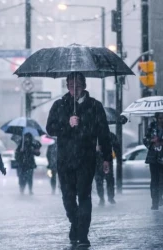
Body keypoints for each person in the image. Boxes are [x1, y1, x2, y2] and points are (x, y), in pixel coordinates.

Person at [46, 72, 112, 248]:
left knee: (84, 196)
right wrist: (67, 124)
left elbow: (104, 134)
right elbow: (50, 128)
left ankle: (82, 234)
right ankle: (75, 223)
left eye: (78, 85)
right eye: (71, 85)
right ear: (67, 86)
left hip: (86, 159)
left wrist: (106, 157)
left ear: (84, 85)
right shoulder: (59, 105)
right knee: (68, 199)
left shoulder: (95, 106)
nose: (74, 88)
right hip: (65, 160)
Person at [94, 131, 120, 206]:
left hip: (107, 160)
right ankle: (102, 198)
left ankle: (110, 197)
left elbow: (116, 147)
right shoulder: (93, 135)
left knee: (109, 180)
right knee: (100, 181)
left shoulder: (110, 135)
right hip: (97, 162)